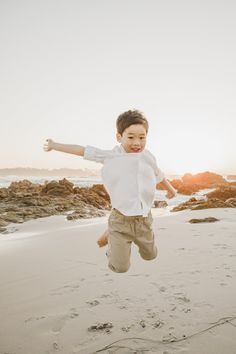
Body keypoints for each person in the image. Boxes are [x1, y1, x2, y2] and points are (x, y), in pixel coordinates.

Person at [43, 109, 177, 273]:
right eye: (131, 137)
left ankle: (109, 233)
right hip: (120, 221)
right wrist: (54, 145)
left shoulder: (148, 156)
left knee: (150, 256)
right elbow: (82, 150)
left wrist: (171, 189)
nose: (137, 143)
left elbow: (158, 173)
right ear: (119, 137)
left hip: (144, 220)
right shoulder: (111, 156)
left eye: (142, 138)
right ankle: (112, 238)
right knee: (120, 268)